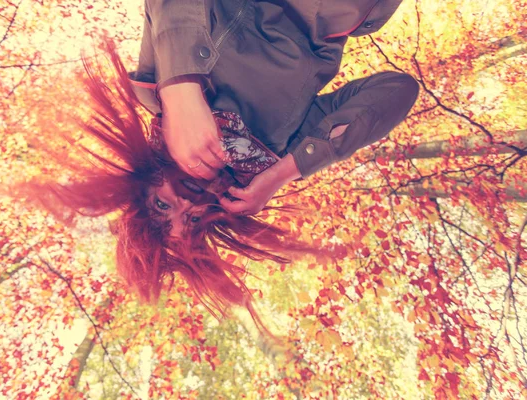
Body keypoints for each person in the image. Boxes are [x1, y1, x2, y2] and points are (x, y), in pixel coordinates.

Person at [37, 0, 419, 335]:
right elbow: (398, 90)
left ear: (145, 184)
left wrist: (180, 91)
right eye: (191, 223)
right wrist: (284, 172)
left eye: (162, 208)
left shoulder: (157, 87)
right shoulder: (273, 149)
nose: (186, 206)